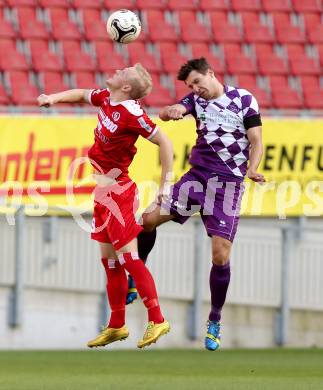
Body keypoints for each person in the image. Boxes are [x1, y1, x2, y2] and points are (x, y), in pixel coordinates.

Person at [37, 63, 173, 349]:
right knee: (109, 262)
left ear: (126, 88)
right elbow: (81, 94)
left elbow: (165, 142)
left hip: (120, 192)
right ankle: (116, 325)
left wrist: (166, 184)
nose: (117, 70)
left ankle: (158, 319)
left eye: (124, 72)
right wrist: (53, 98)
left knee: (129, 260)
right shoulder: (106, 97)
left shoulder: (132, 113)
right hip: (102, 193)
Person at [134, 57, 265, 351]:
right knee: (146, 221)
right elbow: (178, 109)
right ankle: (138, 273)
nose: (195, 88)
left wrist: (253, 168)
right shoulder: (195, 100)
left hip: (227, 186)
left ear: (211, 73)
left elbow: (256, 140)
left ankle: (215, 318)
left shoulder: (243, 99)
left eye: (197, 82)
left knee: (220, 255)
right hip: (196, 180)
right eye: (190, 86)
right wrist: (172, 111)